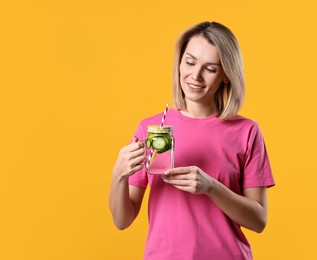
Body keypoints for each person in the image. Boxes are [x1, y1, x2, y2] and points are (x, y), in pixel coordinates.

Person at [109, 21, 275, 260]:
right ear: (179, 63)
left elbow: (258, 221)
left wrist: (211, 187)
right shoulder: (151, 129)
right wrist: (118, 175)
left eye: (210, 68)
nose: (195, 75)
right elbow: (122, 220)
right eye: (190, 62)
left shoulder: (246, 131)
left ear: (226, 75)